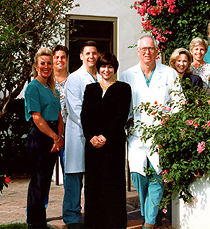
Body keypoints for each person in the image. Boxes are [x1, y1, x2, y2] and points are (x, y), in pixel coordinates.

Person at [119, 35, 181, 229]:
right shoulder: (127, 75)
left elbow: (179, 102)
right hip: (137, 135)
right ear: (138, 51)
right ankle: (150, 215)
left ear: (156, 51)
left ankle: (147, 223)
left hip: (160, 134)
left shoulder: (169, 73)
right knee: (139, 176)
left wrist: (171, 122)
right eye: (143, 49)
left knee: (158, 176)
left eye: (151, 48)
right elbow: (122, 106)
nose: (147, 52)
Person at [81, 52, 131, 229]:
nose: (106, 70)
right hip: (93, 145)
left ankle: (115, 224)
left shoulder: (124, 88)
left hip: (113, 144)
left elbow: (121, 116)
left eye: (110, 66)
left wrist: (105, 136)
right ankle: (94, 224)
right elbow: (84, 116)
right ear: (98, 68)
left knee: (112, 185)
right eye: (103, 66)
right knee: (94, 185)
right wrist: (91, 137)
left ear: (114, 68)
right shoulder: (90, 89)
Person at [24, 48, 64, 229]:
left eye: (49, 63)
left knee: (46, 180)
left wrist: (60, 137)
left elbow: (59, 114)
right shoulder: (33, 87)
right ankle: (35, 222)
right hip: (40, 137)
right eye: (43, 63)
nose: (46, 66)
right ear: (36, 66)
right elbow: (37, 117)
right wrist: (55, 137)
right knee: (38, 181)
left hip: (53, 136)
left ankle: (40, 221)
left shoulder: (51, 87)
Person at [63, 41, 101, 229]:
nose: (91, 56)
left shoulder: (102, 76)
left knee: (94, 177)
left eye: (94, 53)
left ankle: (93, 214)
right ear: (81, 56)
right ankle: (72, 217)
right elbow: (75, 108)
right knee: (75, 176)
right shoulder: (75, 78)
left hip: (96, 136)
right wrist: (92, 129)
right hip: (79, 134)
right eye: (87, 53)